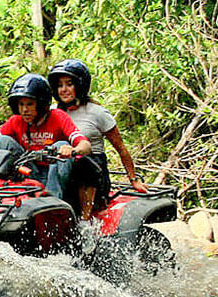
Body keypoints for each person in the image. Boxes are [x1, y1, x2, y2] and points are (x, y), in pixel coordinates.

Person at [47, 58, 148, 221]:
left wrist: (133, 179)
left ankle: (85, 224)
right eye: (60, 85)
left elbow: (120, 148)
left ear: (79, 86)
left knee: (81, 162)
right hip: (59, 170)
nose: (64, 90)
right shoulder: (51, 113)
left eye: (69, 84)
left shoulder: (97, 113)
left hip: (91, 172)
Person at [0, 73, 91, 199]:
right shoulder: (16, 120)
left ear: (41, 104)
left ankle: (51, 200)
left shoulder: (58, 116)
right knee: (4, 141)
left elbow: (85, 145)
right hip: (29, 170)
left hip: (55, 174)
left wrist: (72, 150)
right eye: (21, 105)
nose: (24, 110)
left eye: (29, 104)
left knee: (60, 145)